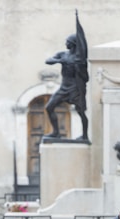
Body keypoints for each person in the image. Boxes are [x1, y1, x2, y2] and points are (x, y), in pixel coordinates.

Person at [45, 11, 89, 141]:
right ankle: (56, 132)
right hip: (64, 88)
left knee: (81, 113)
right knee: (49, 107)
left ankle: (85, 136)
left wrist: (79, 66)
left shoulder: (79, 59)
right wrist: (60, 61)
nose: (66, 44)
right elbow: (48, 60)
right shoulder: (62, 55)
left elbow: (85, 76)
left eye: (68, 42)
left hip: (75, 89)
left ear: (73, 44)